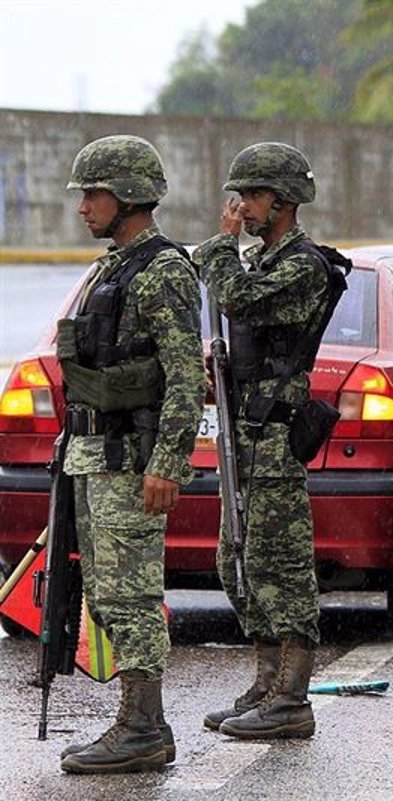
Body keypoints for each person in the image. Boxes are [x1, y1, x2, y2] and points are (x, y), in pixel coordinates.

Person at [58, 135, 205, 773]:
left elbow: (185, 377)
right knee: (106, 592)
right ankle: (136, 719)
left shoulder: (163, 270)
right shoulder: (112, 265)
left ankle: (145, 725)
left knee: (132, 593)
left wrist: (168, 462)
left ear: (126, 197)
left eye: (93, 194)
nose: (83, 207)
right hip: (94, 454)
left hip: (129, 459)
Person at [195, 142, 340, 740]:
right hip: (244, 431)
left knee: (279, 565)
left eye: (251, 196)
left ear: (281, 201)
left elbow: (239, 301)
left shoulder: (303, 264)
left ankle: (292, 697)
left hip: (276, 438)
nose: (241, 206)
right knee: (237, 561)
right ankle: (265, 682)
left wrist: (220, 247)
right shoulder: (261, 259)